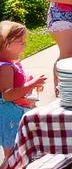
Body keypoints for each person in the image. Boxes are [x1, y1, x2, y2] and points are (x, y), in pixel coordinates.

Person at [0, 21, 45, 161]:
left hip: (15, 112)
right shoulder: (5, 67)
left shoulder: (11, 62)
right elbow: (7, 95)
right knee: (12, 156)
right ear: (6, 43)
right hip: (9, 116)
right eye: (20, 41)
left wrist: (26, 82)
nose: (24, 44)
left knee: (20, 153)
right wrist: (31, 84)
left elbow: (14, 87)